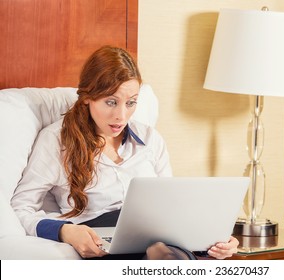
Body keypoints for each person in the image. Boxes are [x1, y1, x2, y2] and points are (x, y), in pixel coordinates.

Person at [11, 45, 239, 260]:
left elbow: (172, 206)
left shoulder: (150, 139)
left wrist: (213, 239)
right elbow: (22, 208)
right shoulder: (56, 141)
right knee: (160, 257)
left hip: (158, 238)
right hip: (100, 240)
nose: (121, 115)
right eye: (111, 102)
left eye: (131, 103)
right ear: (88, 97)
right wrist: (64, 231)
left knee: (166, 253)